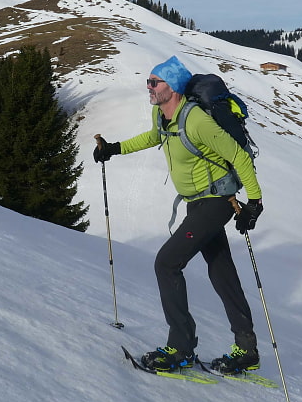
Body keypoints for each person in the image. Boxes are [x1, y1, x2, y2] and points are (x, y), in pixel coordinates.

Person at [93, 55, 263, 375]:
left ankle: (181, 348)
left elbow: (238, 155)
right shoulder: (162, 115)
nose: (149, 87)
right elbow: (152, 138)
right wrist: (114, 148)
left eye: (155, 82)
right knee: (221, 271)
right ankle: (246, 349)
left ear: (173, 87)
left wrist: (254, 202)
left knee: (167, 262)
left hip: (215, 202)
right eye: (148, 81)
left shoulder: (197, 119)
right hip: (196, 203)